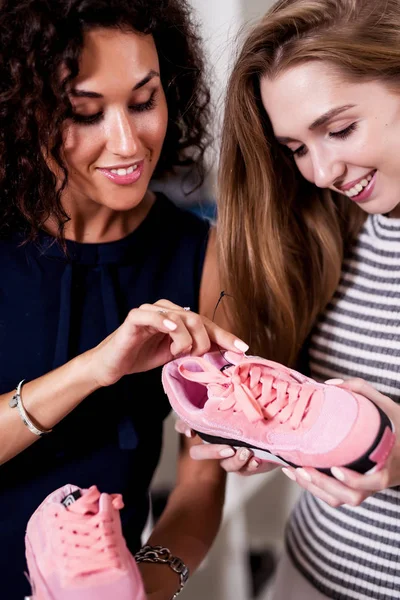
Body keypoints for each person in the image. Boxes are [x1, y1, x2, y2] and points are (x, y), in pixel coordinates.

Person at [0, 1, 250, 598]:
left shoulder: (203, 254)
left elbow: (201, 476)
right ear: (19, 114)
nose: (128, 142)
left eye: (143, 102)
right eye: (84, 113)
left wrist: (151, 583)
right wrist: (93, 369)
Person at [183, 0, 400, 598]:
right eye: (297, 149)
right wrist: (268, 437)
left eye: (339, 129)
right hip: (307, 575)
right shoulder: (337, 232)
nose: (323, 170)